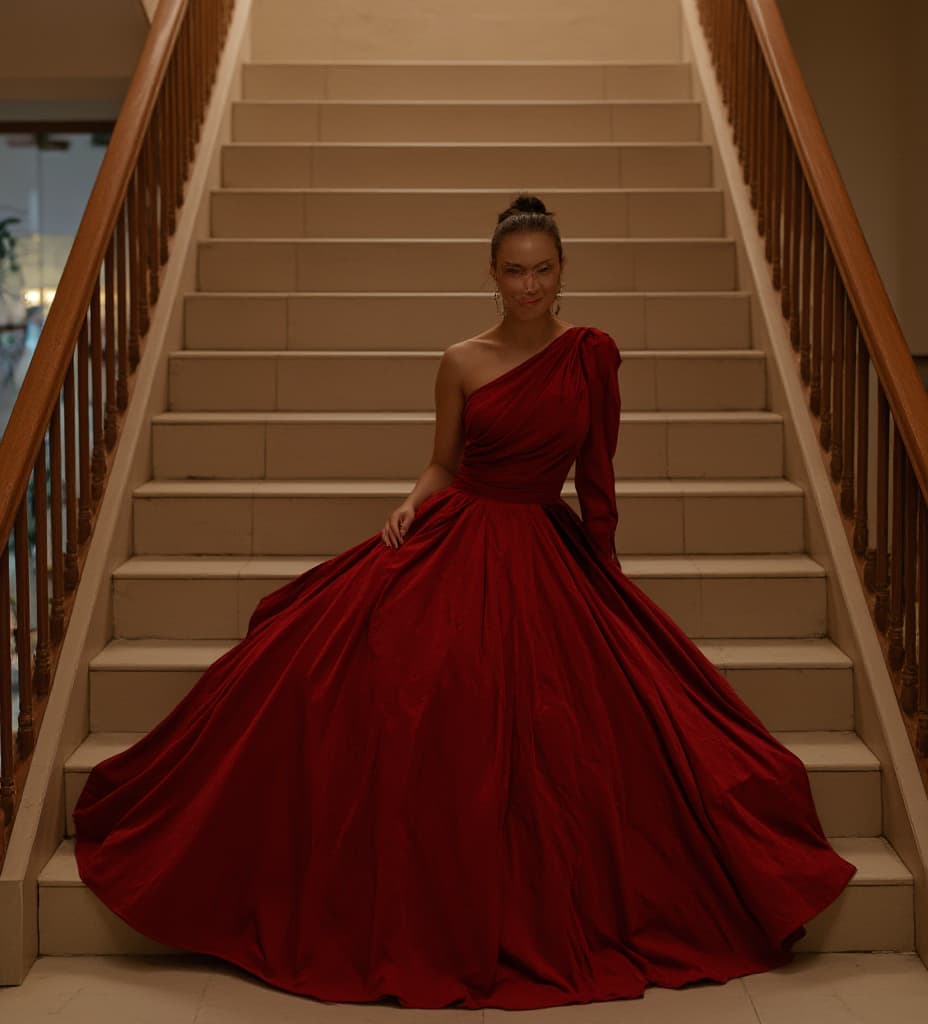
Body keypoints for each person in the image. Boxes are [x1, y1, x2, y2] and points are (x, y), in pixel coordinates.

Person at [73, 193, 856, 1011]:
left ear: (563, 271)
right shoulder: (460, 359)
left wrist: (606, 578)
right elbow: (442, 462)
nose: (529, 286)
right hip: (458, 530)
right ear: (490, 273)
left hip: (544, 546)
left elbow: (597, 478)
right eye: (514, 271)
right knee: (358, 679)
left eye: (542, 270)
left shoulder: (591, 354)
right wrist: (412, 499)